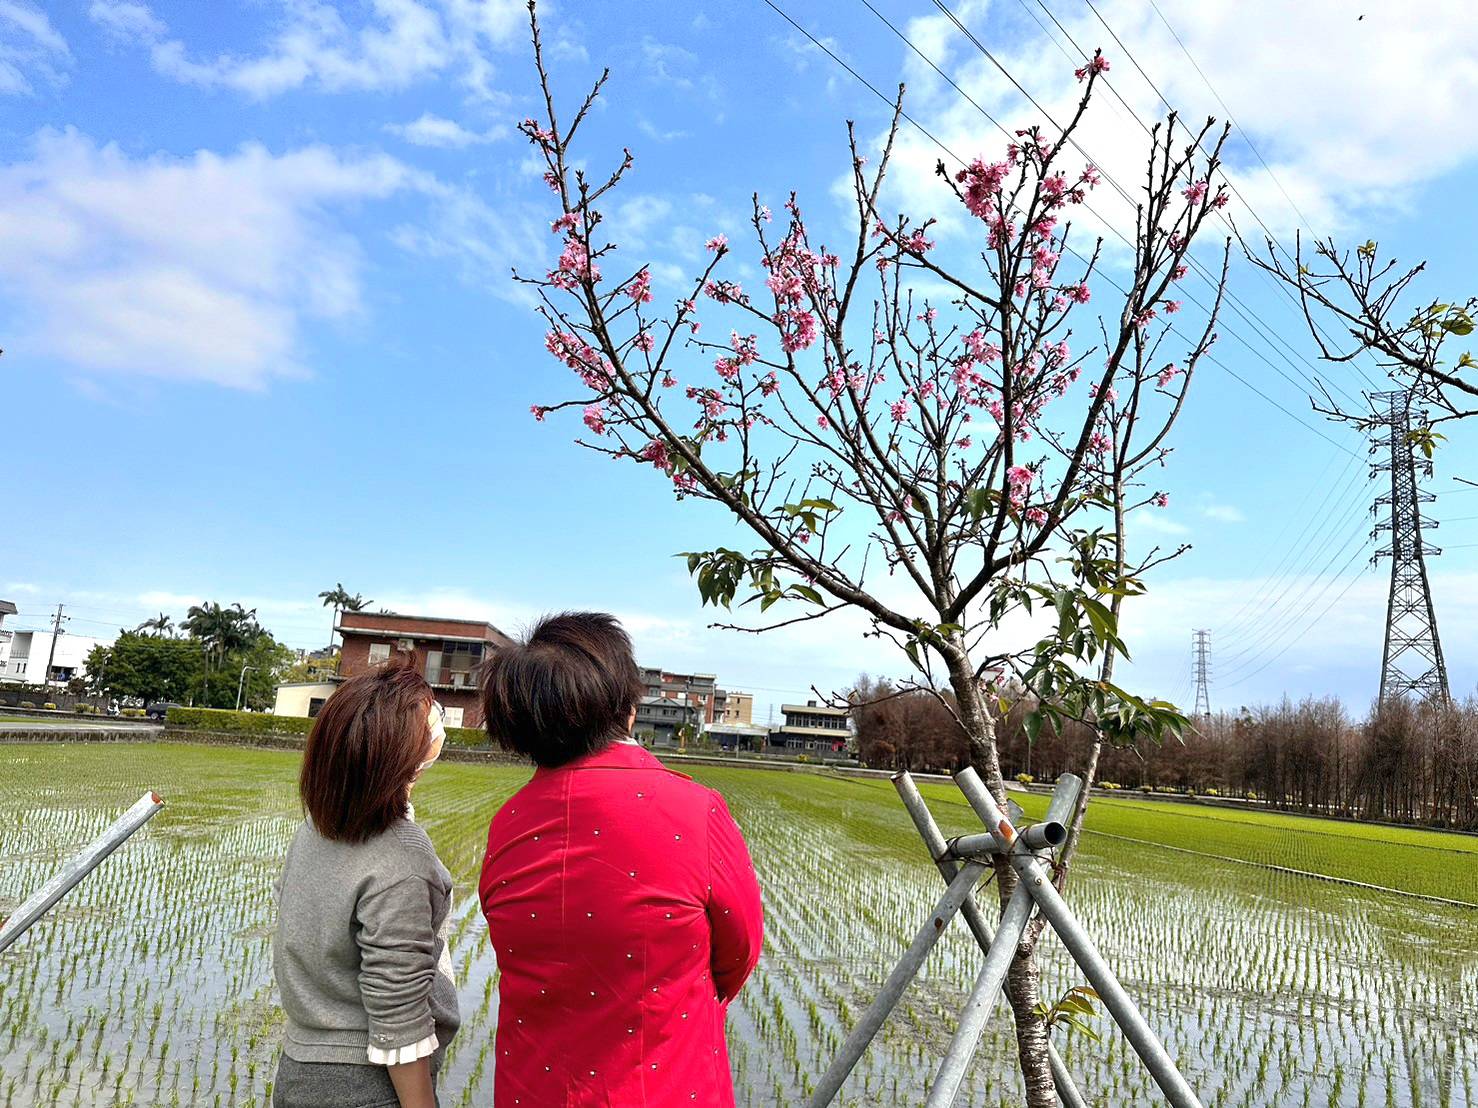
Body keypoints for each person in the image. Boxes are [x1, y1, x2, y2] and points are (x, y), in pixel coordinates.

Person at [479, 612, 764, 1107]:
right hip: (665, 1088)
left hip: (533, 1090)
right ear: (626, 709)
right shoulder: (694, 812)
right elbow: (739, 953)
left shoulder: (508, 823)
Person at [271, 653, 460, 1108]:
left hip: (299, 1072)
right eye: (427, 723)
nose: (435, 724)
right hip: (366, 1086)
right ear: (404, 758)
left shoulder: (315, 829)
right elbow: (400, 1016)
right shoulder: (402, 856)